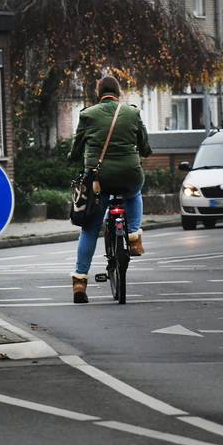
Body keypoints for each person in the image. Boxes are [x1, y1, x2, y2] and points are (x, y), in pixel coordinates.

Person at [68, 75, 151, 303]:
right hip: (129, 174)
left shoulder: (87, 115)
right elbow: (144, 145)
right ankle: (133, 237)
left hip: (98, 179)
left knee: (90, 229)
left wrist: (71, 158)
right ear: (118, 93)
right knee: (134, 193)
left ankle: (80, 282)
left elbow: (77, 147)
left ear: (99, 93)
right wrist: (143, 152)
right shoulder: (132, 113)